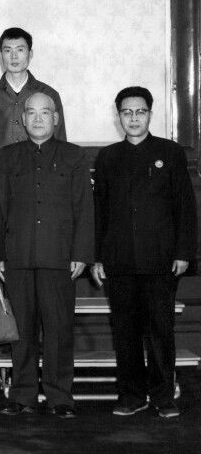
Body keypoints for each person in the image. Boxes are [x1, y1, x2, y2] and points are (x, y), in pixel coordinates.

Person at [92, 86, 197, 419]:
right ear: (118, 116)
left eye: (139, 112)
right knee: (125, 331)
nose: (133, 118)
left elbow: (185, 206)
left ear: (150, 114)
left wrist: (183, 252)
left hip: (160, 259)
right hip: (119, 259)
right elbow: (99, 211)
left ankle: (164, 396)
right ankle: (131, 396)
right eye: (126, 112)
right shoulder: (107, 157)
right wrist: (97, 256)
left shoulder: (170, 152)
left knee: (161, 331)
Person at [0, 92, 93, 419]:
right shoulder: (7, 156)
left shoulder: (74, 156)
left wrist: (81, 253)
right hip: (17, 256)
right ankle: (22, 396)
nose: (38, 119)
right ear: (22, 119)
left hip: (60, 256)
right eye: (31, 113)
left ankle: (59, 397)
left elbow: (84, 208)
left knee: (59, 330)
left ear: (56, 118)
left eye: (45, 113)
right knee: (21, 331)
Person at [0, 28, 66, 166]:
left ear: (30, 54)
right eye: (8, 50)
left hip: (40, 175)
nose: (14, 56)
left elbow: (60, 143)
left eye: (20, 50)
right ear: (1, 55)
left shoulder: (49, 95)